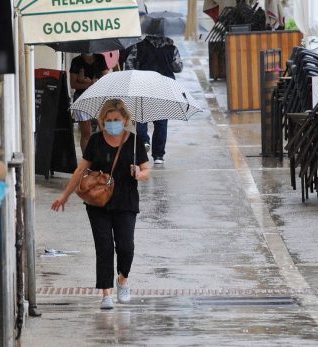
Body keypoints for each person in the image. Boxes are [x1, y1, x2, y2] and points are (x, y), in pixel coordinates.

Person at [51, 99, 150, 310]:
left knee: (126, 246)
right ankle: (106, 294)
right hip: (98, 203)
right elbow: (80, 171)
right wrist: (65, 196)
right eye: (108, 120)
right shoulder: (95, 141)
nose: (112, 123)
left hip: (126, 201)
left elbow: (147, 170)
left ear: (125, 120)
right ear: (102, 120)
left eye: (116, 119)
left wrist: (139, 174)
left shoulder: (134, 141)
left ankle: (123, 279)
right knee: (104, 246)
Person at [125, 35, 183, 165]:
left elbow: (129, 64)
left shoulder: (139, 46)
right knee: (161, 122)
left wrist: (135, 75)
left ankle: (144, 141)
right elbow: (178, 67)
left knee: (141, 117)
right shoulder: (171, 48)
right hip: (164, 87)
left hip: (143, 85)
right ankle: (158, 155)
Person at [69, 53, 109, 152]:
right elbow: (73, 84)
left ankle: (104, 157)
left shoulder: (100, 58)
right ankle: (86, 161)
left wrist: (86, 82)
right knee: (86, 132)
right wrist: (91, 84)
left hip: (99, 97)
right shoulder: (76, 61)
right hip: (82, 98)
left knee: (104, 130)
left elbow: (106, 79)